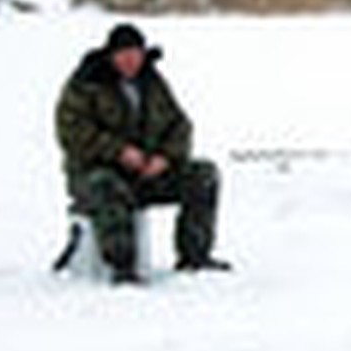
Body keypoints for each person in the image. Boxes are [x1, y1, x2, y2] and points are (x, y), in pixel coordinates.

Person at [55, 22, 230, 283]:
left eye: (135, 53)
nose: (130, 60)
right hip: (94, 175)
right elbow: (72, 132)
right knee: (108, 185)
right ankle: (123, 267)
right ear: (110, 55)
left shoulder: (152, 82)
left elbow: (180, 125)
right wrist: (118, 152)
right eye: (123, 54)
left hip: (145, 173)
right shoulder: (85, 83)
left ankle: (195, 256)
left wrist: (166, 157)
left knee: (203, 174)